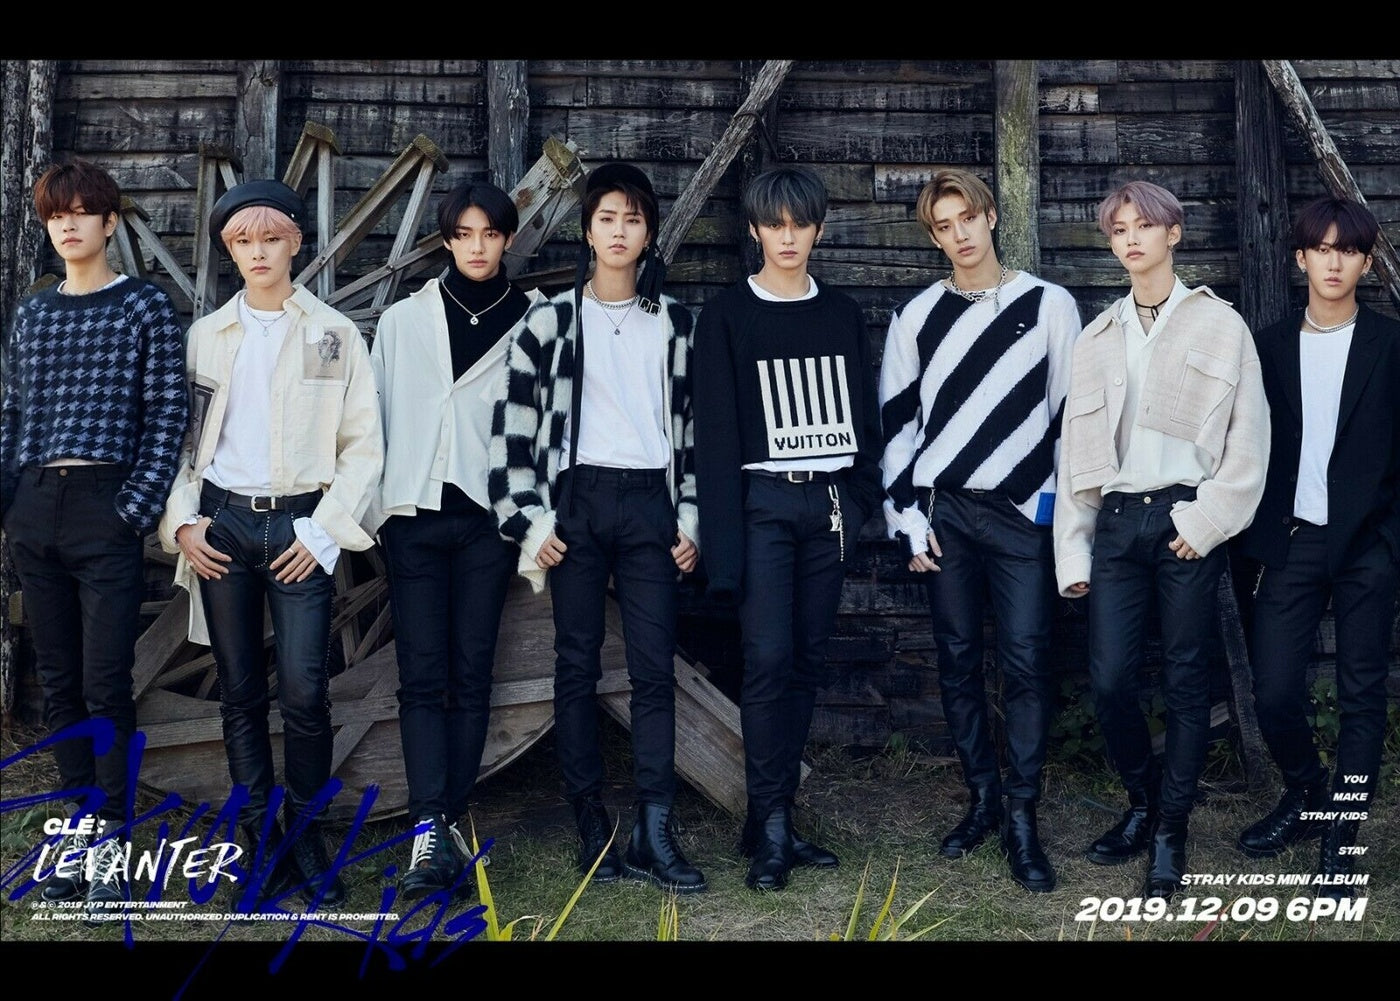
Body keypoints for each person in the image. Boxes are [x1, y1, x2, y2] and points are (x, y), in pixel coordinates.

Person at [158, 179, 383, 908]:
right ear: (231, 252)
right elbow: (182, 444)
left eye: (271, 239)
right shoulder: (206, 336)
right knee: (240, 691)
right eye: (243, 242)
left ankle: (307, 836)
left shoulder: (333, 333)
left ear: (295, 243)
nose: (258, 252)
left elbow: (363, 446)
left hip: (299, 529)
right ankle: (257, 838)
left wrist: (322, 532)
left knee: (306, 691)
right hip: (222, 526)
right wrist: (184, 523)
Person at [488, 162, 706, 894]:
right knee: (575, 664)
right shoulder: (548, 322)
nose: (619, 231)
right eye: (607, 218)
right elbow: (512, 436)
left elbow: (695, 434)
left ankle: (654, 828)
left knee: (653, 669)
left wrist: (692, 518)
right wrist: (530, 522)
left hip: (651, 504)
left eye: (632, 220)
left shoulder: (676, 325)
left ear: (649, 234)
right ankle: (590, 822)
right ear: (587, 230)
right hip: (574, 503)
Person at [1053, 179, 1269, 899]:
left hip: (1184, 522)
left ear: (1173, 234)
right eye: (1118, 230)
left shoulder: (1221, 326)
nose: (1131, 240)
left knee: (1185, 681)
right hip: (1117, 523)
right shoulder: (1096, 337)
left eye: (1143, 226)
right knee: (1111, 678)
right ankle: (1144, 801)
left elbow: (1249, 441)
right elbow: (1076, 455)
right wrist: (1074, 550)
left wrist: (1205, 523)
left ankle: (1171, 830)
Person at [878, 168, 1081, 893]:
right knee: (958, 660)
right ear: (933, 237)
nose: (959, 234)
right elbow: (897, 425)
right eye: (944, 226)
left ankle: (1023, 815)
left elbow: (1069, 417)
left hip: (1023, 512)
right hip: (948, 518)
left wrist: (1057, 514)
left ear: (991, 216)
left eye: (968, 217)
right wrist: (907, 518)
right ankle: (983, 800)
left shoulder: (1050, 305)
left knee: (1026, 661)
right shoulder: (916, 317)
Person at [1, 159, 188, 918]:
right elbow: (12, 412)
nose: (69, 225)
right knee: (58, 681)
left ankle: (112, 843)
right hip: (35, 507)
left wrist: (132, 509)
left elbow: (168, 413)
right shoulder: (34, 313)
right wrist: (11, 504)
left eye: (82, 212)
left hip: (106, 505)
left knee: (107, 681)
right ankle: (77, 834)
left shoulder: (145, 306)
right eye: (56, 215)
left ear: (111, 222)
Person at [693, 164, 883, 891]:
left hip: (828, 507)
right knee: (768, 658)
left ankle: (777, 816)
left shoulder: (840, 313)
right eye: (774, 224)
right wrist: (725, 549)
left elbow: (864, 417)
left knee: (804, 659)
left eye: (800, 224)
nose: (787, 237)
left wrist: (856, 503)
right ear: (754, 230)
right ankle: (769, 823)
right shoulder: (727, 316)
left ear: (819, 230)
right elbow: (714, 438)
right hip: (762, 506)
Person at [368, 179, 542, 901]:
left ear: (507, 240)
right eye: (464, 235)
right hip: (412, 516)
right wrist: (376, 514)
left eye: (490, 234)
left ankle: (449, 821)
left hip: (488, 522)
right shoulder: (404, 321)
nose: (477, 247)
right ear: (446, 241)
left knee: (472, 673)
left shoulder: (535, 321)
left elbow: (547, 427)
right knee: (420, 676)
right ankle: (426, 826)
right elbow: (374, 414)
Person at [1235, 196, 1399, 898]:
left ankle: (1342, 833)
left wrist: (1390, 539)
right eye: (1322, 249)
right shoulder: (1268, 345)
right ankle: (1307, 792)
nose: (1334, 262)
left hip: (1368, 546)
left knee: (1362, 696)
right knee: (1273, 690)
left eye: (1349, 250)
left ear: (1366, 260)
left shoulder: (1391, 344)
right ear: (1300, 257)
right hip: (1292, 538)